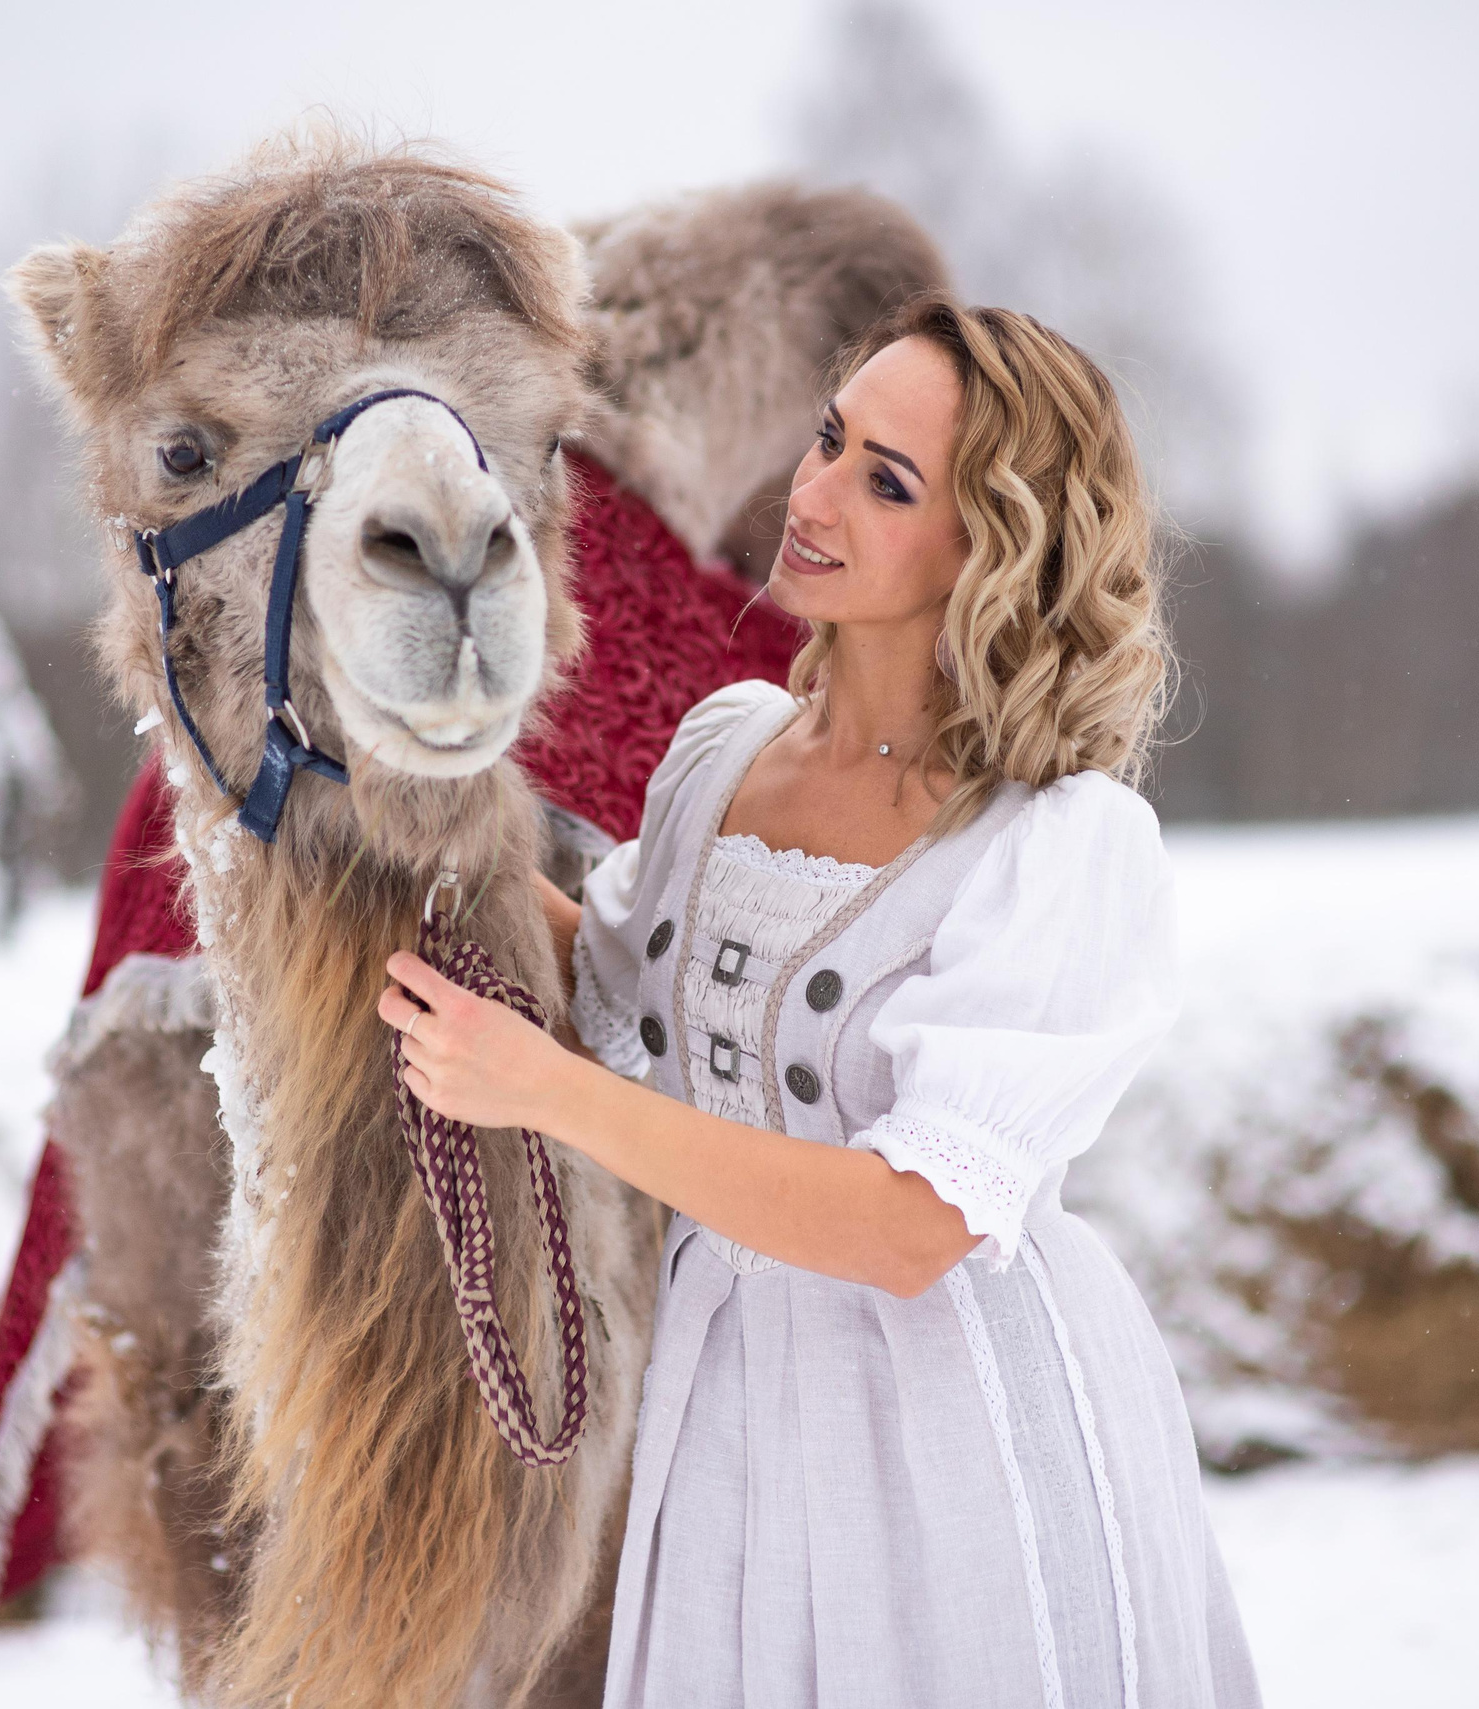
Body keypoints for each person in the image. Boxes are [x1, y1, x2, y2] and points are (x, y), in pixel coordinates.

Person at [379, 294, 1260, 1707]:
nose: (815, 492)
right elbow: (623, 992)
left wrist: (544, 1091)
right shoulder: (723, 749)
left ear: (991, 545)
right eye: (833, 438)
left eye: (887, 480)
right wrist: (411, 844)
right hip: (724, 1412)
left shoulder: (1056, 844)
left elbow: (909, 1224)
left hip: (956, 1437)